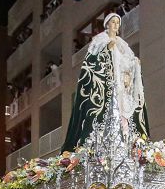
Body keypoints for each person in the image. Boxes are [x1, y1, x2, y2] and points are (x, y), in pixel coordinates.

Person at [61, 12, 149, 152]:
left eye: (117, 22)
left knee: (125, 117)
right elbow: (90, 64)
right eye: (113, 22)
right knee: (109, 114)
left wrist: (134, 65)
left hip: (123, 89)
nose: (115, 25)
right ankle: (99, 146)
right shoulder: (99, 41)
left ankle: (125, 144)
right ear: (107, 24)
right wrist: (106, 50)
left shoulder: (123, 45)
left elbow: (127, 63)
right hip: (106, 88)